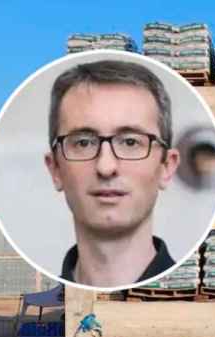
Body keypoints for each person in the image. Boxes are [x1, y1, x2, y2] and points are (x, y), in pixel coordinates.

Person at [44, 59, 181, 287]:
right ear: (55, 169)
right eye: (84, 142)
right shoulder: (55, 302)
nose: (106, 167)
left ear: (167, 166)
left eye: (130, 142)